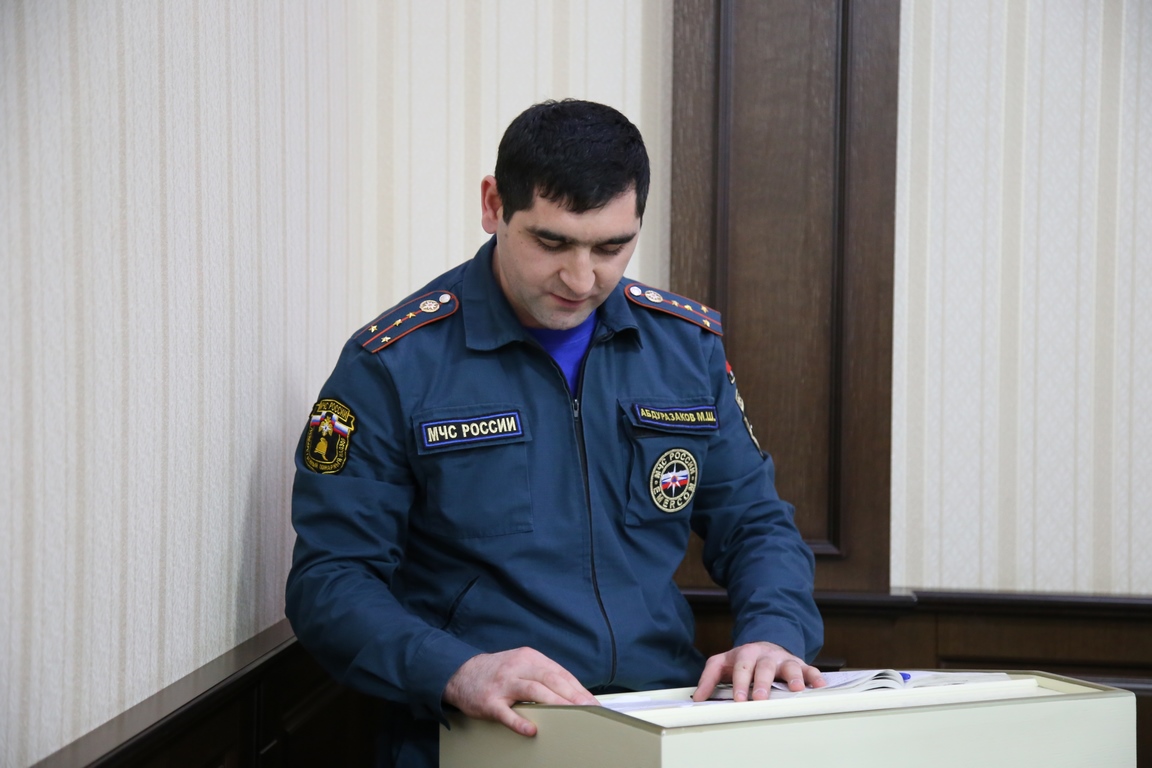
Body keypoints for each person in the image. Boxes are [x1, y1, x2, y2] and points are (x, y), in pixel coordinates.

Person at [285, 99, 824, 767]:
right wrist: (457, 670)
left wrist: (775, 632)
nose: (581, 279)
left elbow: (755, 524)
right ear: (494, 205)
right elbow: (331, 580)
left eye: (611, 248)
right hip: (483, 733)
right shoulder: (392, 364)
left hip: (660, 719)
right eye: (552, 243)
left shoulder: (684, 348)